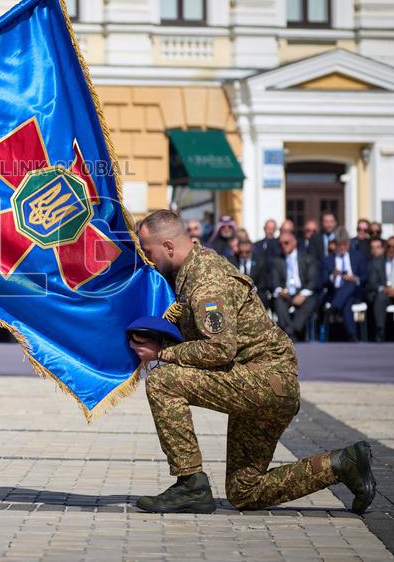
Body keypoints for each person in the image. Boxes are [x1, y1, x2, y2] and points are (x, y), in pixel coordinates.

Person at [131, 210, 375, 514]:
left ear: (168, 246)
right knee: (244, 492)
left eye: (148, 251)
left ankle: (190, 484)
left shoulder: (207, 281)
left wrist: (161, 354)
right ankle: (343, 464)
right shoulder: (193, 272)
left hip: (264, 379)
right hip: (262, 381)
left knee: (162, 382)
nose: (147, 259)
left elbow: (219, 349)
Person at [272, 231, 321, 341]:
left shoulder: (307, 258)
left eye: (286, 243)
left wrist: (302, 295)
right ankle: (291, 331)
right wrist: (281, 291)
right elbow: (274, 282)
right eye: (280, 244)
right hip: (286, 292)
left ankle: (292, 330)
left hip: (302, 290)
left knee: (312, 300)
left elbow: (313, 280)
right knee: (278, 300)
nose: (283, 246)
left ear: (294, 242)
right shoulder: (277, 261)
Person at [322, 228, 368, 342]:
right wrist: (333, 276)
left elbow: (365, 277)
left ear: (349, 244)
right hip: (336, 292)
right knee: (346, 302)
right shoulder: (328, 260)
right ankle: (352, 334)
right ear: (335, 245)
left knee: (351, 285)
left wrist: (354, 278)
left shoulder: (358, 257)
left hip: (354, 293)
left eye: (345, 244)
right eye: (339, 245)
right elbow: (322, 281)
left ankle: (335, 307)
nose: (342, 248)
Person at [230, 238, 271, 308]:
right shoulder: (232, 261)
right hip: (237, 293)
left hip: (256, 292)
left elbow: (263, 283)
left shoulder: (260, 262)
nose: (244, 255)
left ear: (252, 249)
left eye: (247, 252)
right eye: (241, 252)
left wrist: (252, 291)